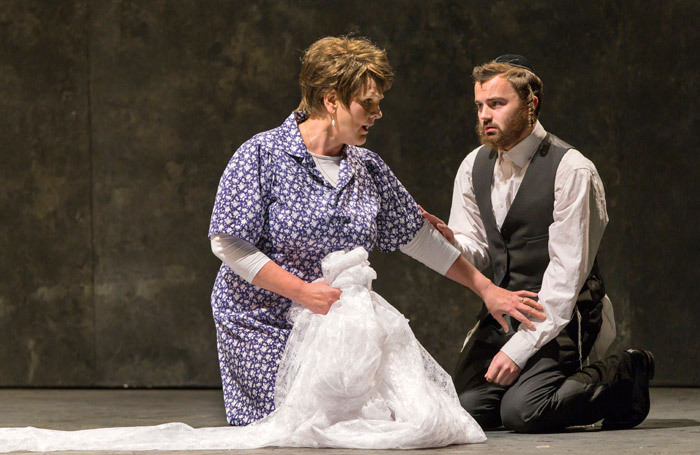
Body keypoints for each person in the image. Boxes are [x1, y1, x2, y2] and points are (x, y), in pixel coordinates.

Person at [207, 38, 545, 426]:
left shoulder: (367, 168)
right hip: (264, 322)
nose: (377, 113)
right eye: (367, 103)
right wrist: (302, 292)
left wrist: (486, 289)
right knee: (301, 429)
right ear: (331, 100)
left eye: (378, 102)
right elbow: (228, 242)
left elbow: (418, 237)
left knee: (411, 421)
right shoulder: (262, 155)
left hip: (338, 327)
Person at [421, 54, 655, 432]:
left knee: (524, 412)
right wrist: (449, 241)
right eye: (480, 105)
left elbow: (566, 278)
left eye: (497, 104)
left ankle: (627, 373)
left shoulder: (572, 169)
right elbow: (478, 248)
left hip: (562, 316)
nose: (484, 115)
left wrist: (519, 350)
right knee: (462, 411)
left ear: (531, 104)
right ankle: (528, 383)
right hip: (505, 313)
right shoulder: (473, 165)